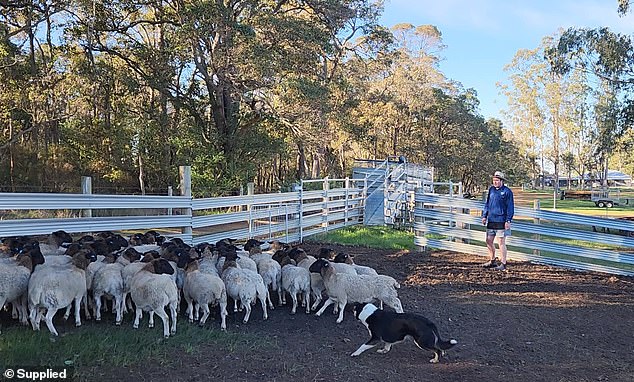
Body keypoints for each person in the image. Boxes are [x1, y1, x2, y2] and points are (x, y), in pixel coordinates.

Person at [480, 171, 514, 271]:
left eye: (497, 180)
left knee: (501, 242)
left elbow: (510, 206)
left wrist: (508, 220)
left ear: (502, 181)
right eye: (494, 180)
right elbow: (487, 203)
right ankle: (492, 260)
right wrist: (484, 215)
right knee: (489, 240)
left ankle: (503, 263)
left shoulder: (507, 192)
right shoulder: (491, 190)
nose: (495, 182)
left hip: (501, 220)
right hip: (491, 219)